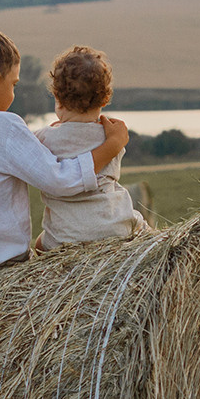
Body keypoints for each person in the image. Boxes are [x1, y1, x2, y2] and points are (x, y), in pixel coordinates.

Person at [0, 24, 128, 283]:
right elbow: (60, 180)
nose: (14, 92)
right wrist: (112, 146)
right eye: (14, 84)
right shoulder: (3, 125)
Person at [34, 45, 147, 250]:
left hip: (64, 238)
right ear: (105, 99)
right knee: (145, 231)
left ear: (57, 99)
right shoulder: (112, 135)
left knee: (40, 245)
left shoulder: (43, 139)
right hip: (115, 229)